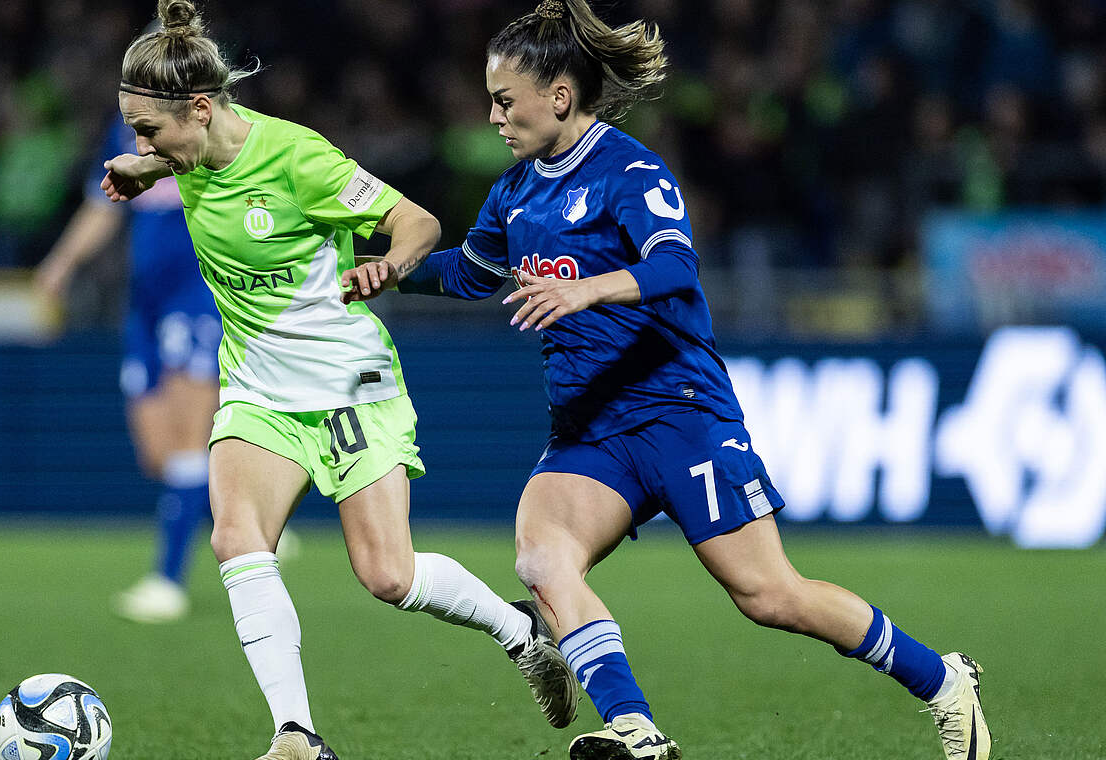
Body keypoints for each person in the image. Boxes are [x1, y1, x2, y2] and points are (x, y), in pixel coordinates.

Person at [363, 1, 992, 759]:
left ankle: (943, 680)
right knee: (542, 556)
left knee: (769, 595)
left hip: (680, 410)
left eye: (503, 100)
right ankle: (636, 729)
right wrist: (389, 271)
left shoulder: (630, 170)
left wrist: (589, 288)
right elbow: (470, 273)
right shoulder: (516, 192)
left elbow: (673, 264)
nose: (492, 116)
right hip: (592, 430)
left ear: (558, 96)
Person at [100, 3, 579, 759]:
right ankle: (296, 735)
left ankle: (519, 630)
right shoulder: (187, 152)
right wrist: (145, 164)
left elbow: (415, 220)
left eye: (148, 131)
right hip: (259, 392)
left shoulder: (299, 161)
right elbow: (184, 157)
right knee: (236, 538)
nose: (139, 143)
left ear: (199, 108)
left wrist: (389, 262)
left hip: (350, 386)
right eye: (132, 131)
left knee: (388, 575)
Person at [35, 109, 220, 624]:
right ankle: (236, 497)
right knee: (158, 456)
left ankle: (168, 579)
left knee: (189, 440)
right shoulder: (126, 134)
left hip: (199, 294)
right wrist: (61, 263)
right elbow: (102, 205)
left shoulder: (212, 131)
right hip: (144, 306)